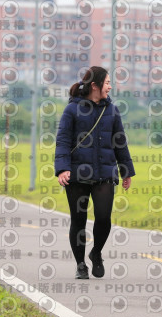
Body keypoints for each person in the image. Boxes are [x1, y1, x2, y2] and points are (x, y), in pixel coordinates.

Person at [55, 66, 135, 280]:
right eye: (107, 82)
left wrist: (126, 171)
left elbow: (120, 142)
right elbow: (63, 141)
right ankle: (80, 264)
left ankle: (96, 252)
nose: (110, 87)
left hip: (104, 173)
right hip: (76, 174)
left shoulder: (112, 111)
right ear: (94, 85)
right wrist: (62, 169)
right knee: (78, 220)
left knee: (103, 218)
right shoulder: (72, 110)